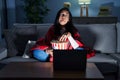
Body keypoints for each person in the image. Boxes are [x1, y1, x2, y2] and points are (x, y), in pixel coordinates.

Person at [30, 7, 95, 62]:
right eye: (61, 14)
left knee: (81, 51)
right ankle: (63, 59)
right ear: (58, 17)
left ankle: (61, 59)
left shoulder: (73, 30)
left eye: (66, 15)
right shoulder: (52, 28)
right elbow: (47, 43)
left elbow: (77, 46)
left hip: (68, 52)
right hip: (54, 52)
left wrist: (69, 36)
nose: (63, 16)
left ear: (69, 19)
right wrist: (47, 51)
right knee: (36, 52)